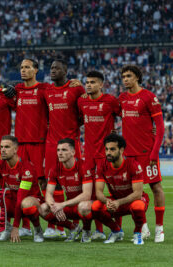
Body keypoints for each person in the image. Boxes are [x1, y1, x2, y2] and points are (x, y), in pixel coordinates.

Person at [118, 65, 165, 242]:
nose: (125, 79)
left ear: (137, 77)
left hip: (146, 154)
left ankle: (159, 229)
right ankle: (142, 227)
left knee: (155, 187)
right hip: (128, 155)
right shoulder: (122, 98)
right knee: (131, 192)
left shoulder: (149, 97)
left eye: (129, 76)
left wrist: (154, 153)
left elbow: (159, 128)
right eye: (123, 77)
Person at [78, 133, 149, 245]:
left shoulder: (133, 165)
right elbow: (98, 192)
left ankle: (137, 233)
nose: (108, 152)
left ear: (121, 150)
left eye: (112, 149)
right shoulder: (102, 166)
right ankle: (116, 231)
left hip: (132, 200)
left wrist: (118, 202)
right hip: (115, 201)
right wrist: (107, 201)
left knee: (138, 205)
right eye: (106, 149)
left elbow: (138, 194)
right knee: (95, 206)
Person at [43, 59, 85, 237]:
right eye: (51, 68)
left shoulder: (77, 89)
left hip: (71, 142)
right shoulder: (47, 90)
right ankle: (57, 228)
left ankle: (83, 226)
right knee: (51, 184)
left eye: (57, 68)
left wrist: (73, 130)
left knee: (75, 185)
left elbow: (84, 113)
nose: (53, 71)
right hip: (51, 144)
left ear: (65, 70)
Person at [78, 70, 120, 240]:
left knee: (112, 192)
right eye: (87, 82)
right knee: (93, 194)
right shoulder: (81, 101)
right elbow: (79, 119)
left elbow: (126, 116)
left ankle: (117, 229)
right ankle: (99, 230)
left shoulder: (110, 101)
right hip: (88, 154)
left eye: (93, 82)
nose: (89, 85)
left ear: (101, 84)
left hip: (106, 154)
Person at [28, 138, 93, 243]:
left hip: (89, 206)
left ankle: (87, 231)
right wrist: (53, 206)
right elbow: (49, 193)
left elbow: (87, 195)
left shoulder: (84, 166)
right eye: (58, 150)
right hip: (71, 207)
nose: (60, 153)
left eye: (64, 150)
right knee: (44, 208)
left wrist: (63, 204)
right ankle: (73, 228)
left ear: (73, 152)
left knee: (83, 206)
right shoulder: (55, 169)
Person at [0, 135, 42, 243]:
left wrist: (16, 227)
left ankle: (38, 230)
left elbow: (21, 198)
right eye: (1, 147)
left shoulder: (26, 167)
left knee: (26, 204)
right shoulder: (0, 164)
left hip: (30, 201)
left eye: (7, 147)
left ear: (15, 149)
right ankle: (6, 228)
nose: (3, 150)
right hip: (12, 201)